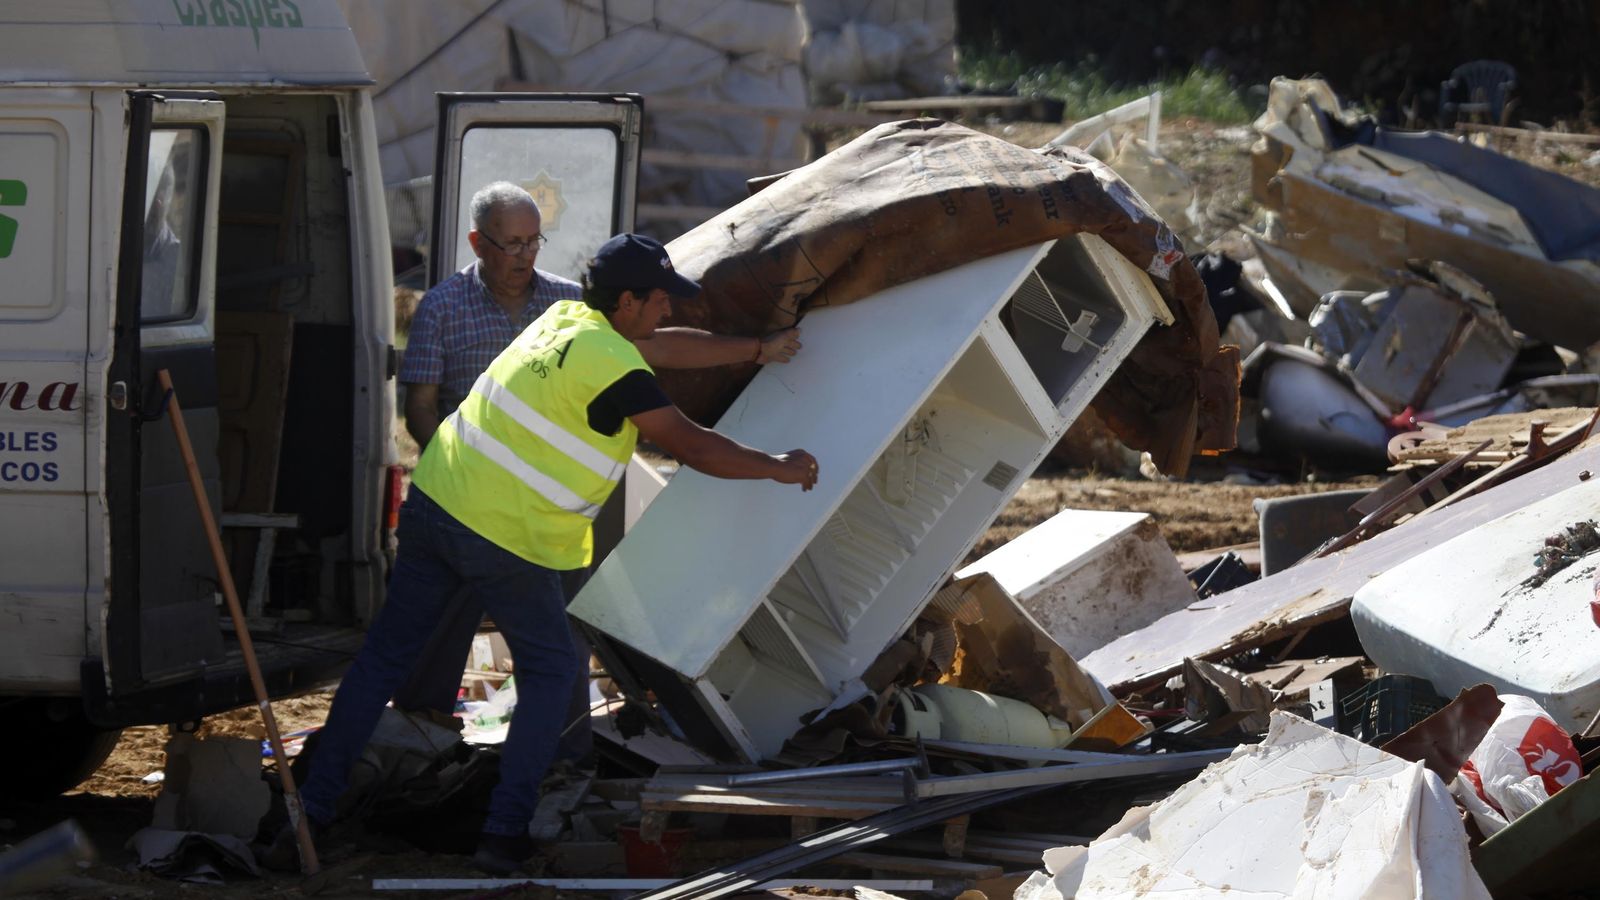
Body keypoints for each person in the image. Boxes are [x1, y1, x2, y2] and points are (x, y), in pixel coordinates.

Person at [278, 233, 819, 875]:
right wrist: (779, 467)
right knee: (552, 673)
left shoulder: (566, 320)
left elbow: (661, 347)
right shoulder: (614, 367)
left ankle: (309, 811)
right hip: (507, 535)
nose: (666, 312)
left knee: (383, 661)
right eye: (658, 301)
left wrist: (758, 350)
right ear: (627, 301)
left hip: (436, 502)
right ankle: (503, 833)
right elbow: (693, 446)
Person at [392, 182, 803, 764]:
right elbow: (421, 410)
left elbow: (659, 347)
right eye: (511, 245)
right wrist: (464, 474)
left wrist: (757, 351)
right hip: (468, 501)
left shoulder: (565, 305)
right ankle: (425, 742)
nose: (525, 256)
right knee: (451, 635)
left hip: (546, 514)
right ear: (478, 244)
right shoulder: (448, 307)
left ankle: (555, 765)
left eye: (533, 242)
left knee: (558, 647)